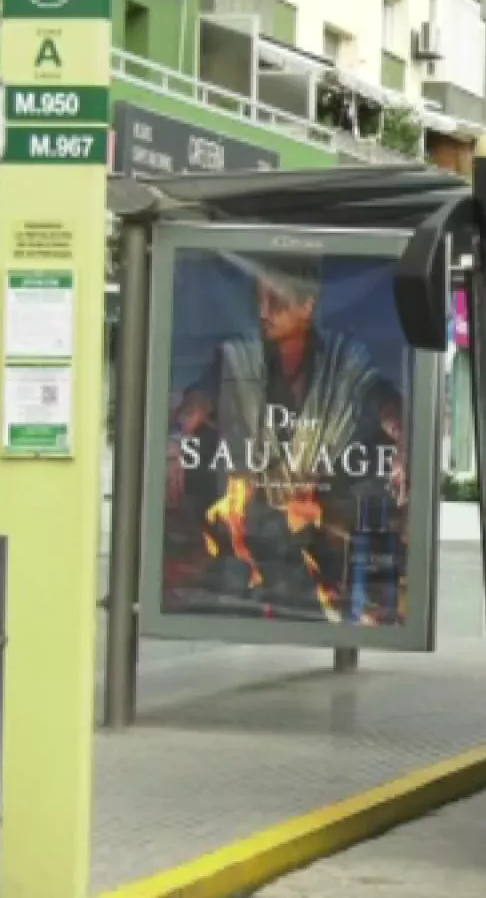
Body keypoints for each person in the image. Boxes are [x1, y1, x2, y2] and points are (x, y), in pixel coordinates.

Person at [164, 253, 407, 623]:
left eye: (276, 302)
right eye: (259, 301)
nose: (264, 311)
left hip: (321, 522)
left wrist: (404, 440)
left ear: (307, 306)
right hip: (254, 523)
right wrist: (176, 438)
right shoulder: (237, 358)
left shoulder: (344, 362)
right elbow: (201, 396)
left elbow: (383, 400)